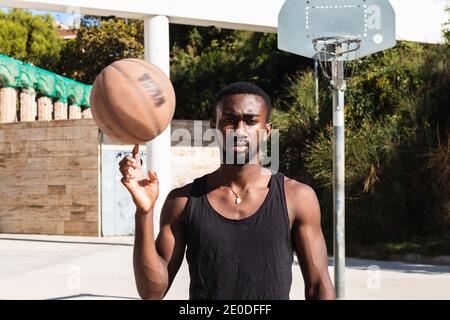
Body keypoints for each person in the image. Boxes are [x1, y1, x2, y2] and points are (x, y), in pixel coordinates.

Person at [119, 82, 336, 300]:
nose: (240, 131)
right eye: (230, 120)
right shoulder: (183, 202)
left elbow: (319, 287)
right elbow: (151, 292)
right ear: (215, 126)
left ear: (267, 131)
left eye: (251, 121)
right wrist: (144, 213)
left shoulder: (297, 197)